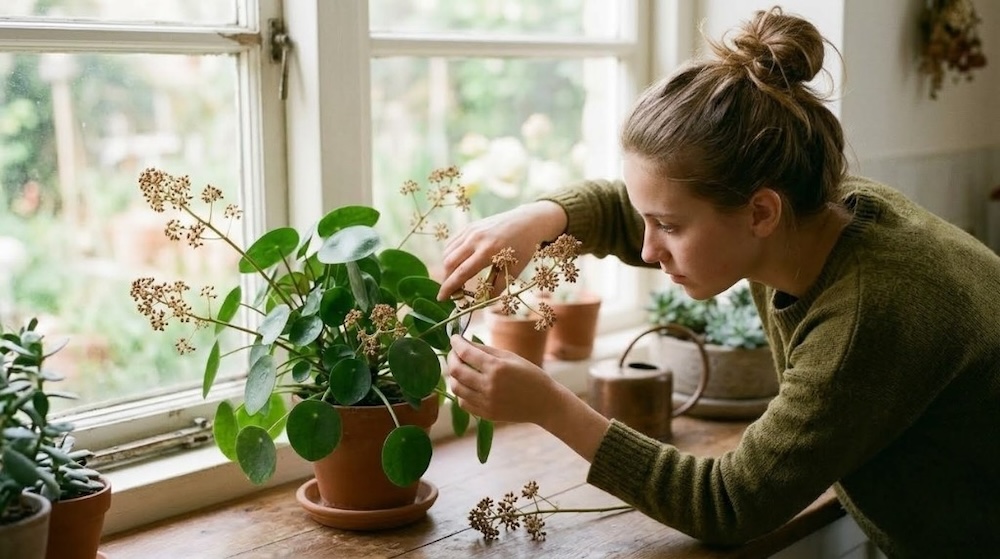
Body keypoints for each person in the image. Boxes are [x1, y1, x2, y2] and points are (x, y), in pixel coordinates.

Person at [437, 6, 1000, 558]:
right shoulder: (818, 213)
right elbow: (641, 210)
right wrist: (536, 219)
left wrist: (552, 406)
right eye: (647, 219)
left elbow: (728, 506)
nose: (646, 246)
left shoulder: (866, 314)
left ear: (760, 213)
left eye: (668, 227)